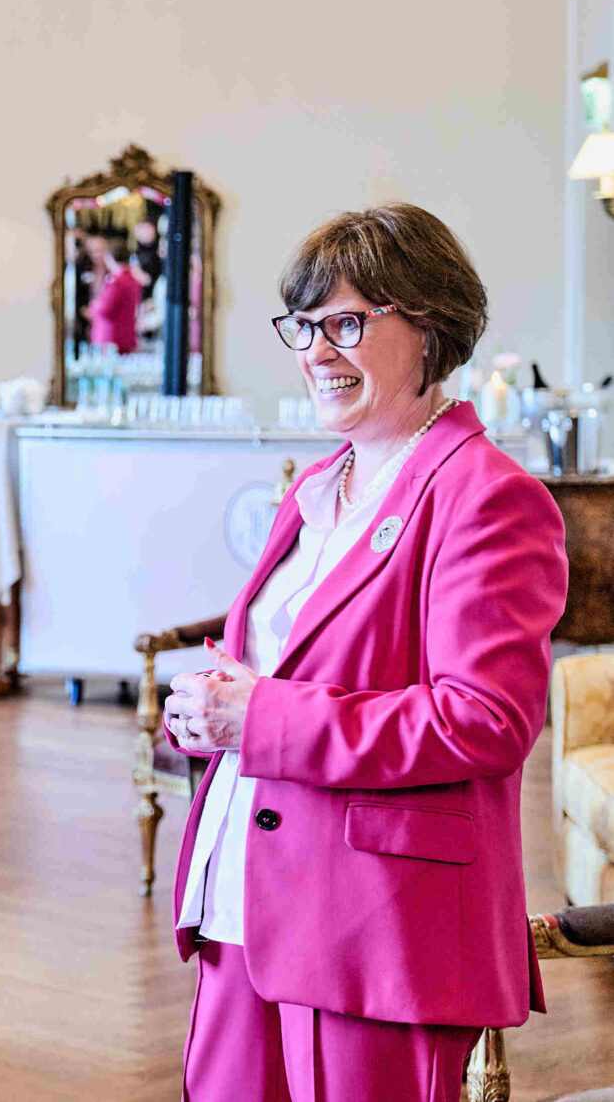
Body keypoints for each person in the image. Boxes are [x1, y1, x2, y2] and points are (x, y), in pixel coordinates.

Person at [161, 203, 567, 1100]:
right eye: (304, 325)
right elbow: (288, 667)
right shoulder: (316, 485)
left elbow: (483, 720)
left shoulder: (486, 497)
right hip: (244, 899)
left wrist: (259, 716)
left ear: (429, 324)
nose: (316, 350)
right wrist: (208, 708)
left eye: (346, 322)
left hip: (374, 924)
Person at [88, 241, 141, 355]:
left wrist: (94, 307)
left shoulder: (116, 281)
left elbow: (106, 309)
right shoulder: (132, 279)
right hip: (126, 335)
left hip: (111, 337)